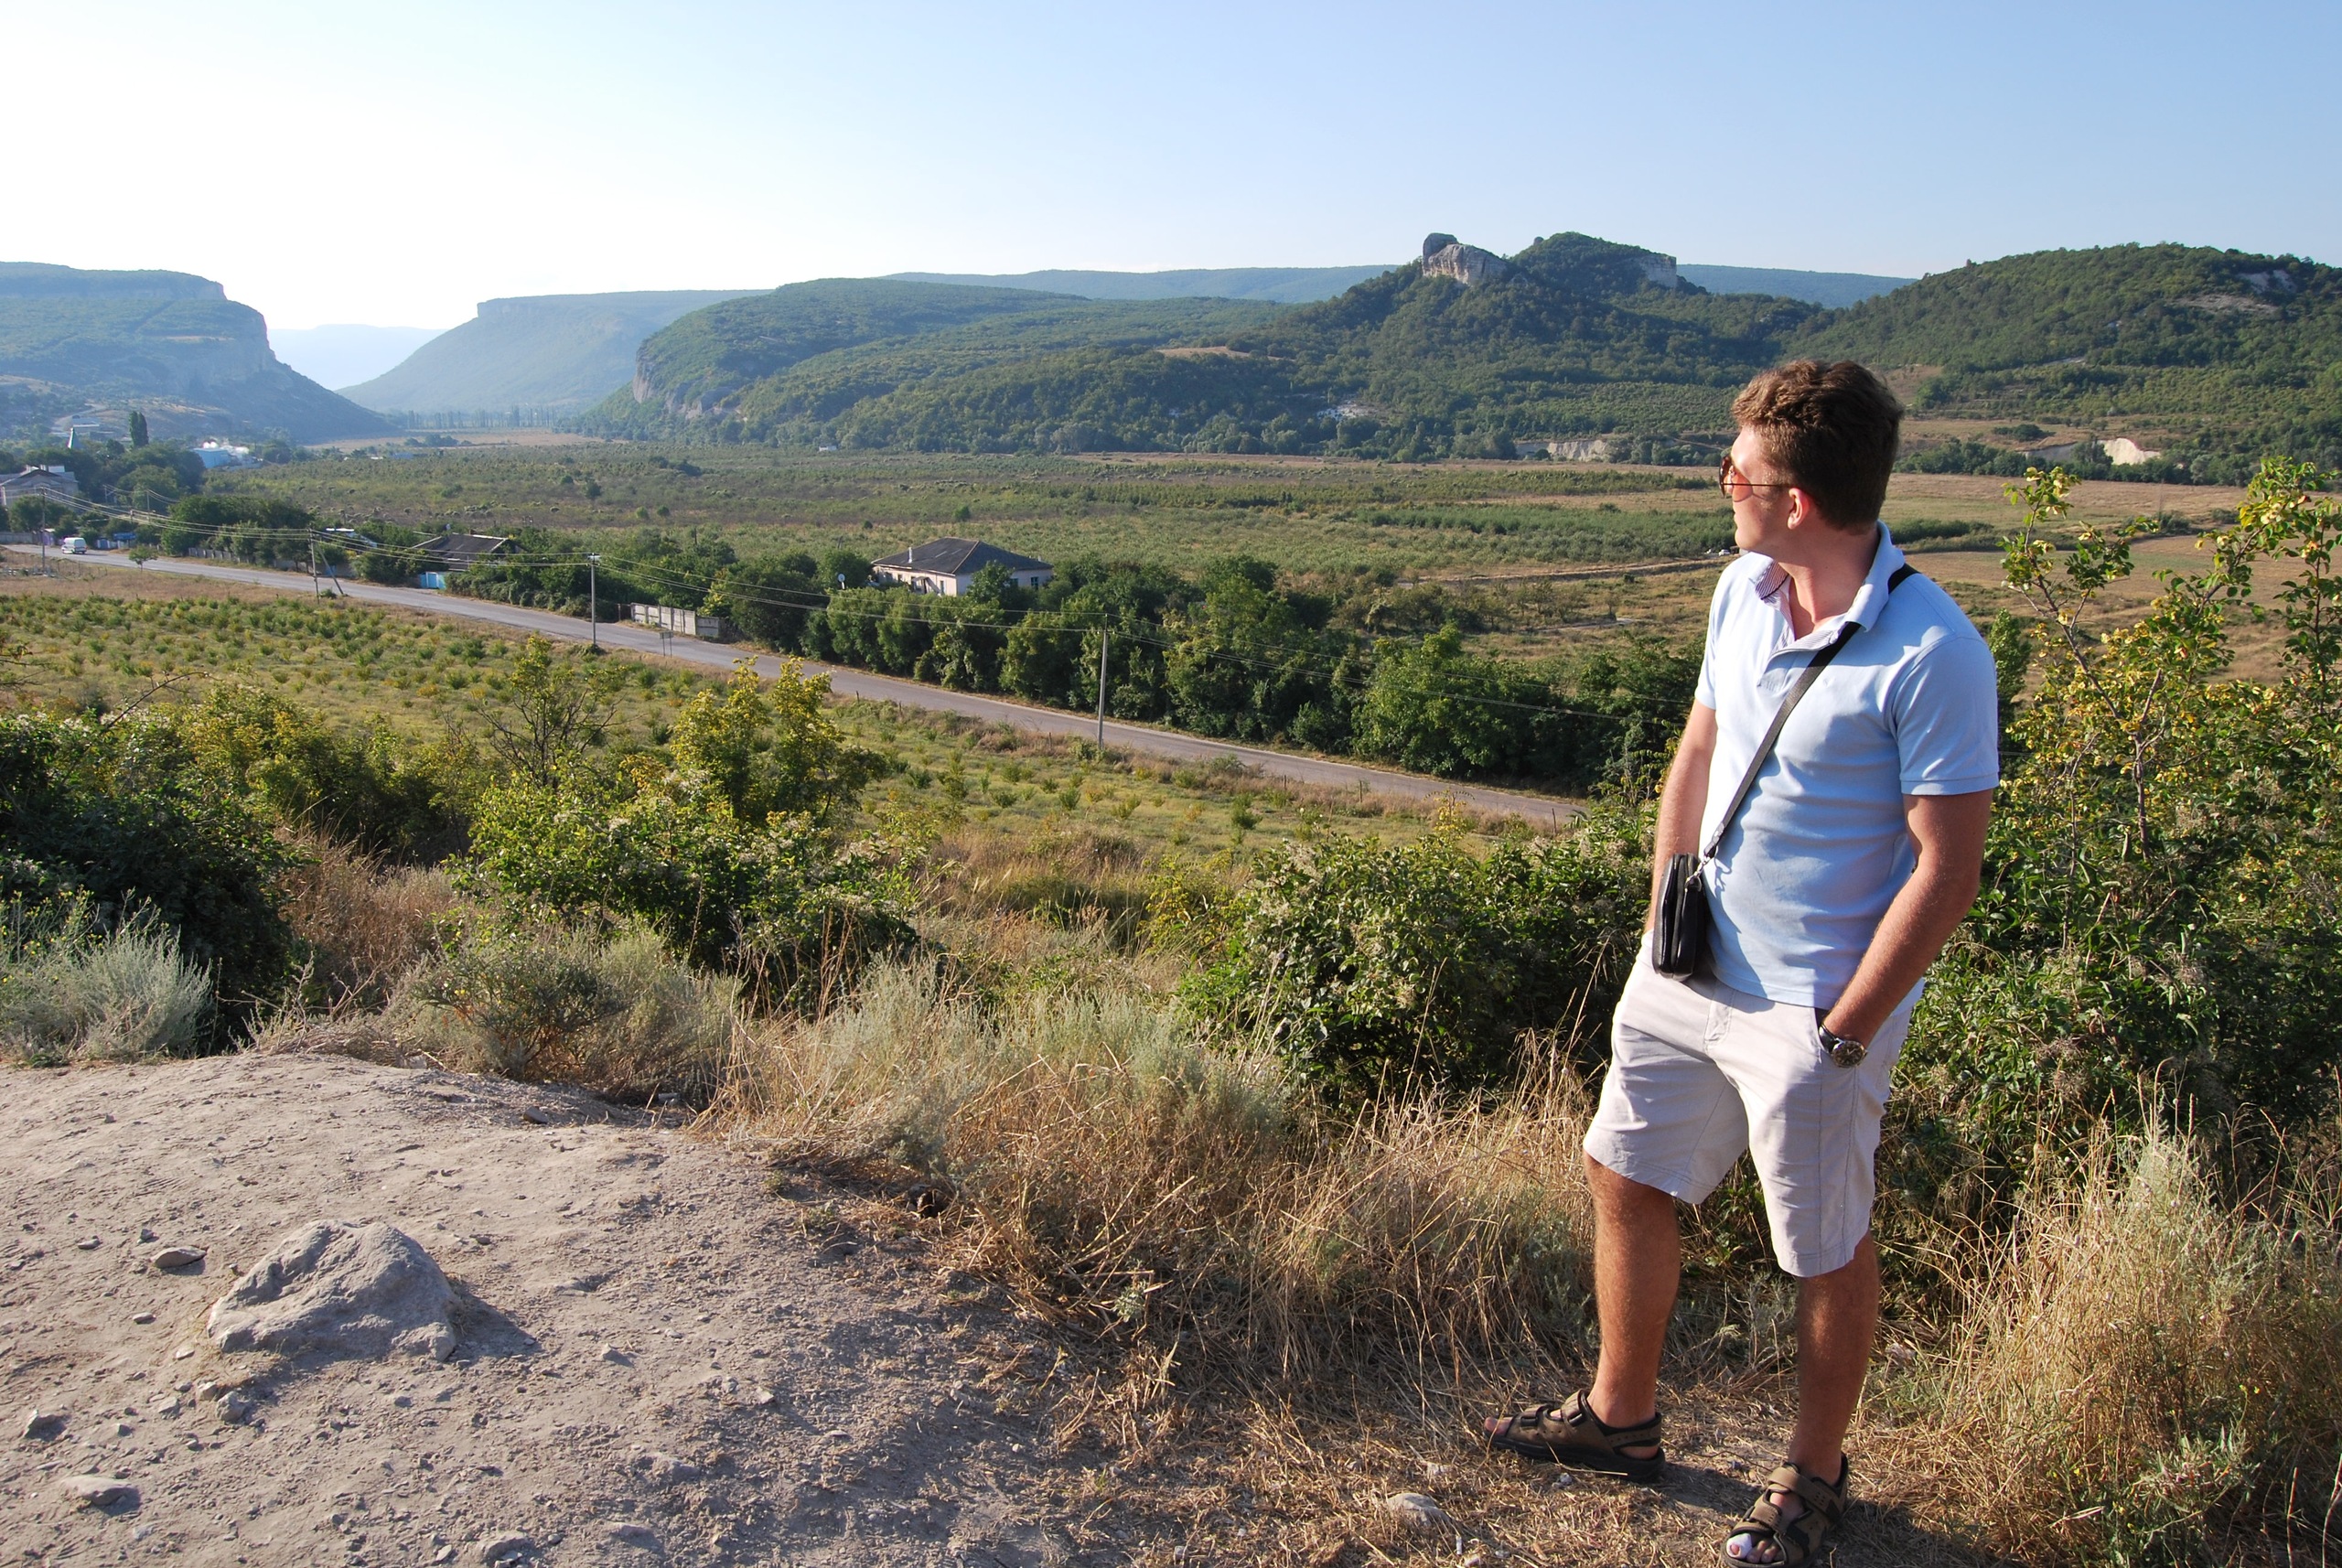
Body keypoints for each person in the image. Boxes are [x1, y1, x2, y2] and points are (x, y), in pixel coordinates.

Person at [1481, 360, 2000, 1565]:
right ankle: (1620, 1417)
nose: (1724, 481)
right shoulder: (1741, 592)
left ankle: (1814, 1479)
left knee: (1822, 1245)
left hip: (1812, 1007)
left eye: (1742, 471)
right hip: (1690, 966)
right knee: (1623, 1169)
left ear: (1798, 501)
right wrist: (1665, 919)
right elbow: (1700, 750)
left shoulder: (1934, 652)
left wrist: (1846, 1030)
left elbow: (1948, 870)